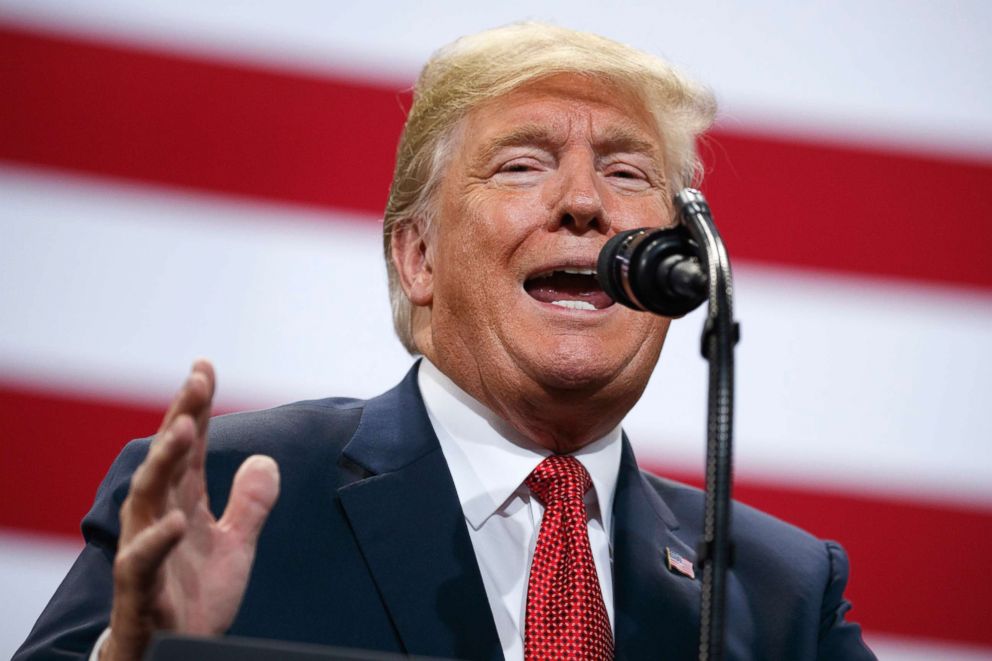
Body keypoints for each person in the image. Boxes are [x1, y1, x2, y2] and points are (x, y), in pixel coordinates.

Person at [15, 23, 875, 661]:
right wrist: (133, 656)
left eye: (627, 172)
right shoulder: (229, 495)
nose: (584, 203)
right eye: (522, 164)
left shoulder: (781, 592)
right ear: (418, 255)